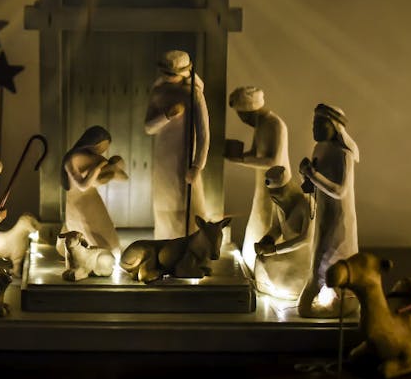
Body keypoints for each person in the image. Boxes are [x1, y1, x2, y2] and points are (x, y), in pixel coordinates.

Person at [297, 103, 360, 318]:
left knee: (327, 261)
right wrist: (306, 178)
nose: (314, 128)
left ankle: (340, 300)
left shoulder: (344, 155)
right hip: (323, 216)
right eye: (313, 123)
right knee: (318, 257)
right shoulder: (319, 149)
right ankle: (324, 300)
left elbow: (340, 190)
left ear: (335, 127)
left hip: (339, 220)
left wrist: (312, 174)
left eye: (320, 123)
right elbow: (315, 183)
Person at [144, 49, 209, 240]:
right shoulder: (158, 92)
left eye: (172, 74)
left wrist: (198, 165)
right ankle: (165, 244)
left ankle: (189, 246)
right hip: (163, 159)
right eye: (165, 73)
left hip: (184, 158)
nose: (168, 77)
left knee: (187, 205)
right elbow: (148, 127)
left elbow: (204, 133)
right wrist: (166, 116)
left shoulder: (193, 94)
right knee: (164, 204)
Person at [225, 86, 290, 274]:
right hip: (263, 183)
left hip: (278, 184)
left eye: (241, 115)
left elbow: (274, 161)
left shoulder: (275, 124)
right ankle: (254, 263)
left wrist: (241, 159)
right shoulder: (261, 124)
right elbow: (255, 154)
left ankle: (268, 268)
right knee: (259, 220)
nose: (242, 120)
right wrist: (237, 158)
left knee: (271, 224)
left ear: (248, 113)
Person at [56, 125, 128, 258]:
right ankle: (98, 257)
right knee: (88, 232)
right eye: (103, 147)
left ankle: (106, 255)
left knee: (105, 233)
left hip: (92, 201)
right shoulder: (73, 158)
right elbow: (83, 185)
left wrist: (115, 168)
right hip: (80, 204)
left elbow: (122, 177)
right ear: (95, 142)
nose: (104, 150)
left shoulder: (96, 158)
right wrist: (98, 169)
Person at [253, 165, 313, 301]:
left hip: (302, 262)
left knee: (289, 284)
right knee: (261, 260)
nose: (276, 199)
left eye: (280, 194)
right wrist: (266, 241)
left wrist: (275, 250)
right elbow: (276, 228)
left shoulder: (306, 204)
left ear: (289, 189)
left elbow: (307, 239)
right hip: (284, 256)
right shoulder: (278, 204)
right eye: (273, 196)